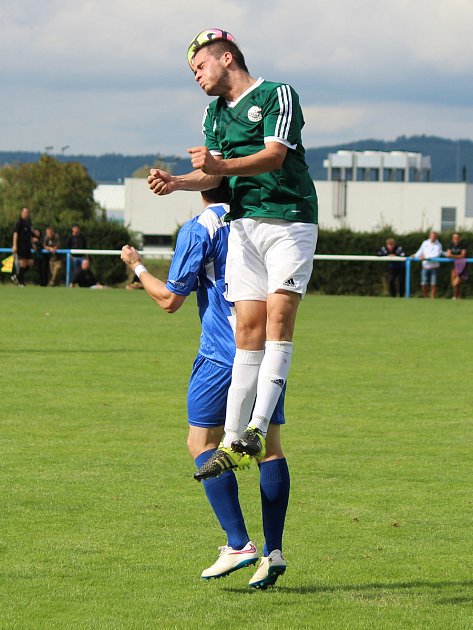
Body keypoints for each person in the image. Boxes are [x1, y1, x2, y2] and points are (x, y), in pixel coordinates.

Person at [148, 30, 318, 500]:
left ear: (226, 58)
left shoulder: (276, 93)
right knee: (248, 327)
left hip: (288, 222)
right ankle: (230, 441)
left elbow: (273, 156)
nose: (197, 77)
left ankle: (255, 430)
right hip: (244, 224)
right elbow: (212, 173)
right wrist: (177, 181)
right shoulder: (214, 113)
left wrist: (218, 169)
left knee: (278, 319)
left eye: (199, 67)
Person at [121, 183, 290, 589]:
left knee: (201, 444)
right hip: (269, 354)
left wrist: (137, 266)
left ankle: (238, 543)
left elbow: (170, 300)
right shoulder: (263, 223)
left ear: (202, 185)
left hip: (223, 354)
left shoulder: (200, 227)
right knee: (268, 446)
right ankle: (273, 552)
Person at [412, 231, 443, 298]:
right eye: (432, 236)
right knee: (424, 283)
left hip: (434, 267)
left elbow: (436, 255)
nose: (433, 238)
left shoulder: (439, 245)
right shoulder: (425, 243)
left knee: (433, 283)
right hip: (425, 266)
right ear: (429, 236)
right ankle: (425, 297)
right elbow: (420, 252)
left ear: (436, 237)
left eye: (434, 236)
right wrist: (414, 255)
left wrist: (425, 257)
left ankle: (432, 297)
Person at [11, 207, 33, 287]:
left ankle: (16, 276)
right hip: (21, 245)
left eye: (27, 212)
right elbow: (15, 233)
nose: (26, 214)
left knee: (30, 263)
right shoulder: (19, 223)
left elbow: (29, 235)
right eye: (24, 212)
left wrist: (32, 243)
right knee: (23, 263)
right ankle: (21, 282)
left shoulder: (29, 223)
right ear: (22, 213)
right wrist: (14, 245)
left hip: (28, 246)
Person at [446, 232, 468, 299]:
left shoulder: (463, 244)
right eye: (454, 237)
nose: (456, 239)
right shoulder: (450, 244)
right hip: (454, 265)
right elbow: (448, 254)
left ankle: (457, 296)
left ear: (459, 238)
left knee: (456, 282)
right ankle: (456, 296)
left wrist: (453, 256)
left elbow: (463, 255)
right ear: (452, 238)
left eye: (457, 237)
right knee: (455, 282)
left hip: (462, 265)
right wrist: (457, 256)